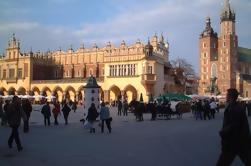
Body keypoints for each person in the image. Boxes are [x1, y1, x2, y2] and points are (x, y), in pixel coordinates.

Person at [216, 88, 251, 165]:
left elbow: (234, 125)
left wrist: (223, 132)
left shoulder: (234, 108)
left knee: (222, 163)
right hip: (239, 141)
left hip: (234, 141)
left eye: (227, 95)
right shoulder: (235, 106)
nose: (226, 96)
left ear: (230, 97)